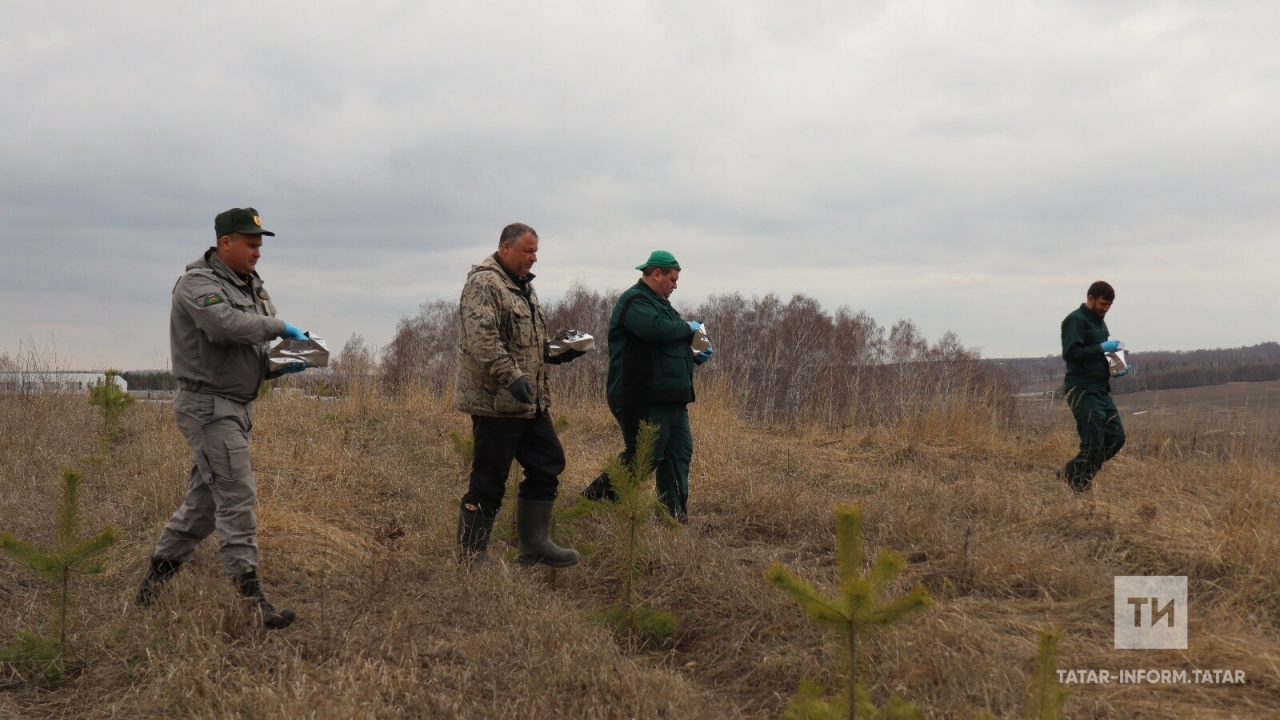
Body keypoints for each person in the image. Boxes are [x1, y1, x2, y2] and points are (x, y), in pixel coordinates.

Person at [136, 207, 309, 629]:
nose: (258, 253)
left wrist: (282, 364)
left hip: (236, 406)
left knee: (203, 507)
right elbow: (224, 326)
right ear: (224, 243)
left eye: (260, 245)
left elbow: (247, 352)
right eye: (250, 245)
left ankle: (150, 590)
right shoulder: (198, 284)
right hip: (209, 408)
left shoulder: (252, 288)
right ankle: (254, 605)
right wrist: (280, 325)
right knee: (237, 497)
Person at [453, 223, 585, 565]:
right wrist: (511, 377)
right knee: (489, 480)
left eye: (536, 251)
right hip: (496, 402)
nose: (534, 258)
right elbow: (482, 339)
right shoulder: (485, 283)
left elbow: (528, 345)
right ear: (506, 248)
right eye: (528, 251)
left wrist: (559, 351)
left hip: (530, 402)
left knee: (548, 463)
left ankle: (534, 546)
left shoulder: (523, 288)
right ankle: (471, 557)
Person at [580, 251, 712, 523]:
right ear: (657, 274)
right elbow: (655, 330)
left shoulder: (663, 305)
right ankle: (592, 503)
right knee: (645, 457)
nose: (675, 286)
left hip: (673, 397)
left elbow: (670, 337)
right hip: (641, 395)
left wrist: (696, 351)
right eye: (672, 280)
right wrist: (687, 328)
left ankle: (672, 518)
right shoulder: (634, 300)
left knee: (678, 455)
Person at [1059, 280, 1128, 493]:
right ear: (1091, 298)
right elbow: (1071, 354)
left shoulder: (1100, 323)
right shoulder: (1075, 320)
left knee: (1116, 437)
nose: (1105, 309)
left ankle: (1072, 471)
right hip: (1082, 389)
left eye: (1109, 306)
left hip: (1100, 389)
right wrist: (1100, 347)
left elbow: (1098, 354)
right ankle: (1080, 484)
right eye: (1103, 304)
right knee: (1093, 442)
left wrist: (1116, 364)